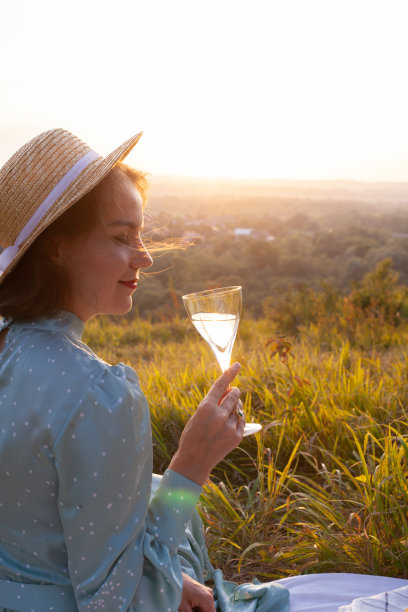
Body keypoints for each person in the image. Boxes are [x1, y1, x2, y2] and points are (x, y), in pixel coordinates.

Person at [0, 129, 291, 612]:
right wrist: (191, 465)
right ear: (55, 246)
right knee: (168, 493)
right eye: (121, 237)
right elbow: (117, 604)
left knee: (148, 490)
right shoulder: (97, 394)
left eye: (140, 234)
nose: (146, 255)